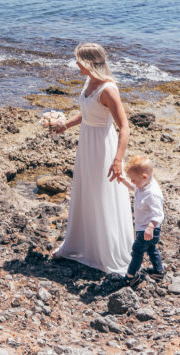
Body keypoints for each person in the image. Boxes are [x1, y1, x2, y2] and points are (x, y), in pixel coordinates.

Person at [49, 43, 132, 275]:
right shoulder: (89, 82)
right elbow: (87, 112)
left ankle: (103, 251)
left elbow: (125, 128)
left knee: (101, 193)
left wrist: (118, 161)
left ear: (88, 63)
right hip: (87, 143)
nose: (76, 64)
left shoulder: (108, 90)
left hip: (103, 147)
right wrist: (65, 124)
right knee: (85, 190)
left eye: (78, 60)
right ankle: (79, 245)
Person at [119, 154, 165, 286]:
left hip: (147, 228)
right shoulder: (142, 185)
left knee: (137, 251)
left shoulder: (152, 193)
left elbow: (158, 214)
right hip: (143, 227)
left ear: (144, 176)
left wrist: (150, 227)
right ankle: (158, 271)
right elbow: (134, 188)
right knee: (151, 248)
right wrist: (123, 180)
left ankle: (130, 276)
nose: (132, 182)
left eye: (133, 179)